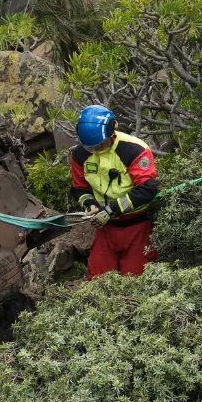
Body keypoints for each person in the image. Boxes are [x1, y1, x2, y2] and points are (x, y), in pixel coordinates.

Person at [70, 104, 159, 278]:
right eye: (91, 147)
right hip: (106, 229)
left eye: (100, 145)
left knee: (135, 280)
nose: (96, 150)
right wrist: (90, 205)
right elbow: (79, 188)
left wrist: (111, 210)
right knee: (98, 280)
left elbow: (147, 189)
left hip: (137, 225)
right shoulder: (80, 154)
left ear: (112, 132)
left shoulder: (134, 149)